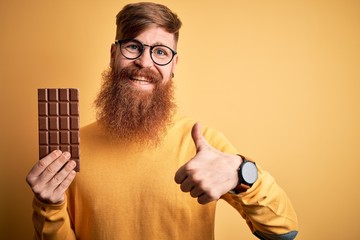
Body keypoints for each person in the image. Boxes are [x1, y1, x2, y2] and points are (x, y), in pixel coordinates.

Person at [26, 2, 298, 239]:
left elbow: (283, 232)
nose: (144, 62)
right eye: (133, 46)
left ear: (174, 65)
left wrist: (243, 173)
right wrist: (48, 206)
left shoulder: (203, 143)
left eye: (160, 52)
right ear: (113, 55)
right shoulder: (72, 151)